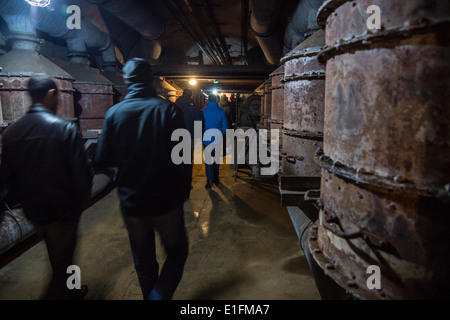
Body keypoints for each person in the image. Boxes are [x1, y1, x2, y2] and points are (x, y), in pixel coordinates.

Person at [94, 58, 191, 300]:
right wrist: (183, 192)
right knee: (177, 254)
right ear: (151, 81)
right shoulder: (169, 110)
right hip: (166, 201)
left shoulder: (114, 114)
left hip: (132, 202)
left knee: (144, 261)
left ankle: (151, 294)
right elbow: (182, 158)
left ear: (127, 82)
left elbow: (102, 160)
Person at [0, 74, 93, 300]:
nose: (59, 101)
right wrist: (79, 205)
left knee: (58, 257)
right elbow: (82, 175)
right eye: (58, 96)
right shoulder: (64, 129)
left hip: (34, 211)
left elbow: (5, 178)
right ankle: (66, 292)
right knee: (63, 262)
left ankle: (73, 289)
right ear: (51, 93)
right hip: (63, 211)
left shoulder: (11, 133)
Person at [202, 94, 229, 189]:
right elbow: (226, 128)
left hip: (206, 140)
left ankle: (210, 180)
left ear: (208, 100)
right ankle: (216, 178)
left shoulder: (203, 111)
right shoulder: (221, 112)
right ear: (217, 100)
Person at [175, 88, 204, 156]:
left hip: (177, 134)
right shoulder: (194, 106)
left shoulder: (175, 104)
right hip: (190, 135)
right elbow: (198, 121)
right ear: (191, 95)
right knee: (188, 156)